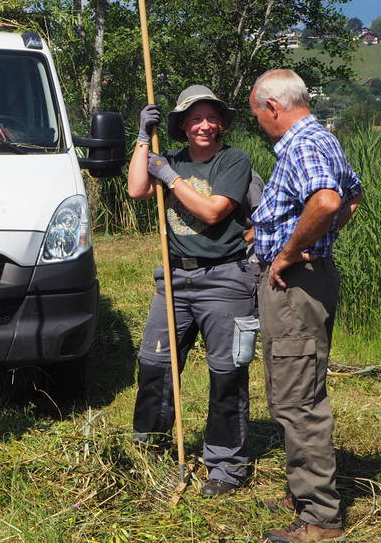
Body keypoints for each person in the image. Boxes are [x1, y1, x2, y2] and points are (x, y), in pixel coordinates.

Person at [249, 69, 362, 543]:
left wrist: (292, 252)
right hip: (303, 280)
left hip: (294, 285)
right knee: (294, 387)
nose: (259, 123)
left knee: (298, 398)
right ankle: (304, 493)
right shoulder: (322, 139)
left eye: (258, 114)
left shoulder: (301, 145)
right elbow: (353, 194)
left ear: (273, 107)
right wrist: (318, 240)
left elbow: (330, 200)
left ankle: (319, 518)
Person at [128, 85, 255, 498]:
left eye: (211, 117)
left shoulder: (233, 160)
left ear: (221, 124)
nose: (205, 125)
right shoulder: (171, 157)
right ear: (182, 124)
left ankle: (226, 465)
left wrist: (169, 176)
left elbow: (213, 211)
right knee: (155, 363)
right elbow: (136, 189)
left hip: (225, 279)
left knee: (227, 373)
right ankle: (149, 446)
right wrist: (142, 139)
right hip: (173, 280)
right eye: (196, 118)